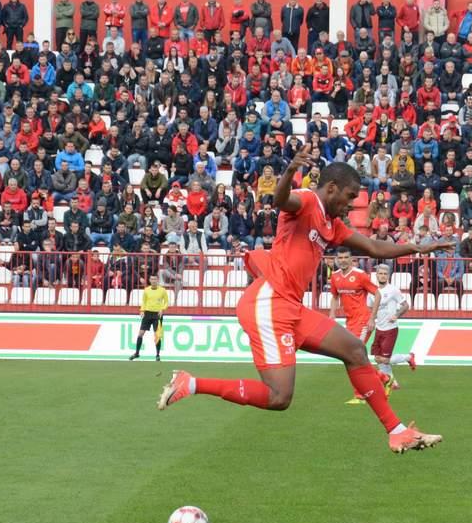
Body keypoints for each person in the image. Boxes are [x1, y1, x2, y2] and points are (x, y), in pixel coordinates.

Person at [157, 152, 448, 453]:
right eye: (350, 196)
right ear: (331, 187)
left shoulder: (331, 223)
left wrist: (416, 246)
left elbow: (373, 246)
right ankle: (191, 384)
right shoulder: (308, 200)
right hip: (268, 304)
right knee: (279, 397)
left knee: (355, 349)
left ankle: (397, 431)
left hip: (290, 307)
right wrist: (289, 172)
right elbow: (281, 200)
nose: (351, 204)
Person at [328, 248, 380, 405]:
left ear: (351, 259)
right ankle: (383, 378)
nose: (343, 260)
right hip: (349, 322)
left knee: (353, 355)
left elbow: (378, 293)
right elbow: (335, 296)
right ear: (337, 259)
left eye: (346, 257)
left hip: (363, 320)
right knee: (354, 356)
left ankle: (360, 395)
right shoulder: (335, 277)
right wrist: (332, 314)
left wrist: (372, 318)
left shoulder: (359, 275)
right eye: (340, 257)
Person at [370, 262, 417, 389]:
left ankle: (408, 357)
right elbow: (370, 308)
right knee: (377, 358)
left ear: (388, 276)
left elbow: (406, 305)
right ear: (376, 275)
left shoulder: (393, 290)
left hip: (390, 329)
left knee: (385, 359)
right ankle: (392, 382)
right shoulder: (372, 291)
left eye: (385, 274)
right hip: (379, 328)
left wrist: (396, 315)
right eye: (380, 273)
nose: (383, 276)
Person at [129, 272, 169, 362]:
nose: (153, 281)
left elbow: (166, 302)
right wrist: (142, 310)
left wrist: (162, 309)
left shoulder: (162, 290)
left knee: (157, 335)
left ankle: (158, 355)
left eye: (155, 279)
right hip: (147, 313)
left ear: (157, 280)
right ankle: (137, 353)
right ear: (150, 280)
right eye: (152, 279)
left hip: (157, 315)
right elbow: (144, 301)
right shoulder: (146, 290)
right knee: (140, 333)